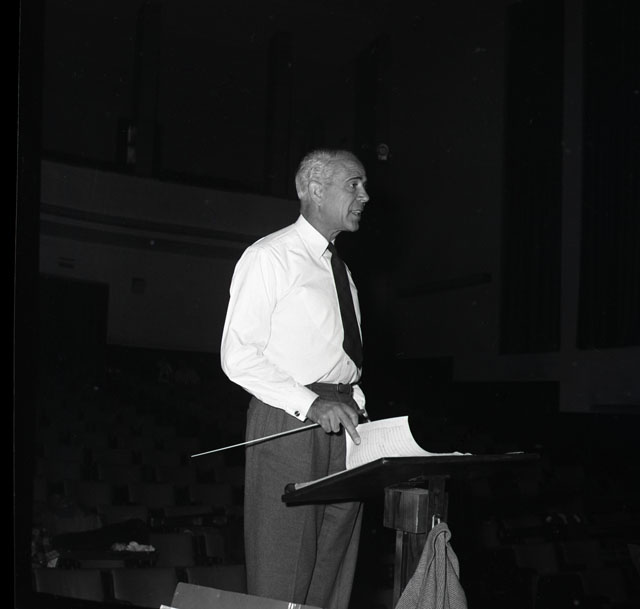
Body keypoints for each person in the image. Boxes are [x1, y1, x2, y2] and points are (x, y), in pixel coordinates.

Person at [220, 148, 371, 609]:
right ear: (315, 190)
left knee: (333, 571)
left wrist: (358, 405)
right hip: (292, 419)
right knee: (283, 571)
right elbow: (237, 355)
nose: (365, 196)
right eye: (354, 185)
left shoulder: (341, 269)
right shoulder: (269, 256)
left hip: (345, 420)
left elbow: (341, 359)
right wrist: (311, 403)